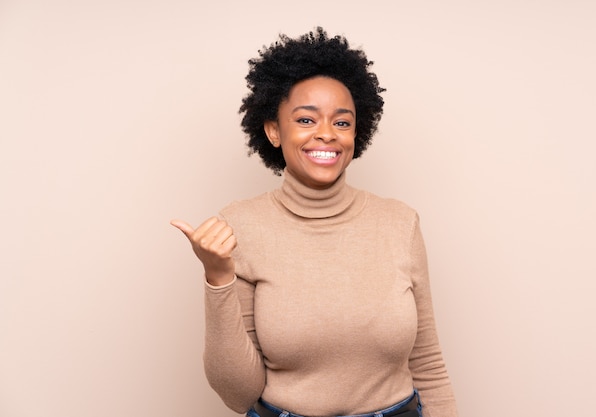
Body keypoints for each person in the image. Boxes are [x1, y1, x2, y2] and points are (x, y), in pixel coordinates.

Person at [171, 27, 458, 417]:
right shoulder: (238, 227)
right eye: (306, 120)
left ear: (358, 132)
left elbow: (428, 364)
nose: (326, 134)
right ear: (273, 130)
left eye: (342, 123)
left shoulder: (400, 223)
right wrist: (218, 277)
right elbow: (238, 394)